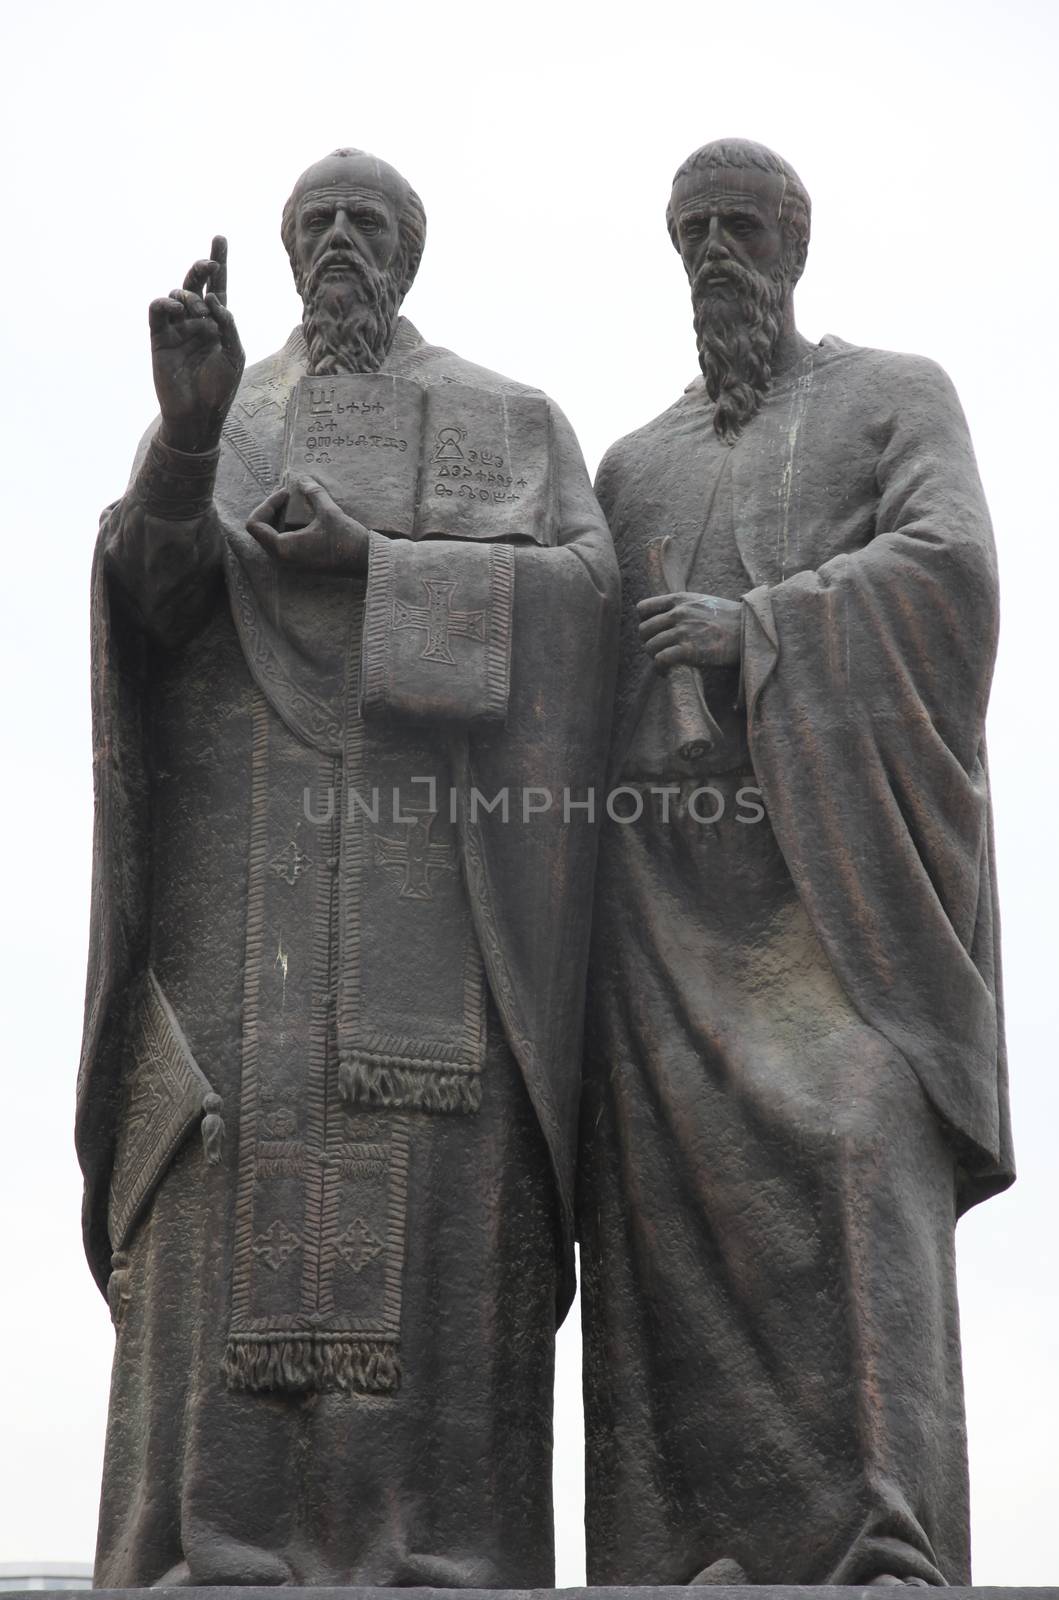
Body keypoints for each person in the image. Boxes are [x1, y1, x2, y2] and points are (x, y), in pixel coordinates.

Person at [77, 147, 617, 1587]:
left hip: (440, 922)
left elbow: (582, 610)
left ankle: (437, 1555)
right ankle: (213, 1548)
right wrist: (184, 442)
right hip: (236, 913)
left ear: (411, 253)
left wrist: (378, 566)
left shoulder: (508, 420)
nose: (337, 248)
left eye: (364, 225)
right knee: (217, 1193)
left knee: (444, 1219)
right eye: (313, 224)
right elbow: (152, 599)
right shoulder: (226, 421)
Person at [578, 137, 1012, 1588]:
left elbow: (953, 570)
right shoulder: (631, 466)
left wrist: (753, 627)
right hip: (666, 912)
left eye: (743, 226)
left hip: (843, 900)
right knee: (658, 1228)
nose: (718, 253)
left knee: (860, 1135)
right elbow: (559, 653)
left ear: (797, 244)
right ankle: (674, 1548)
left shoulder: (894, 397)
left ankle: (886, 1542)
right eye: (694, 229)